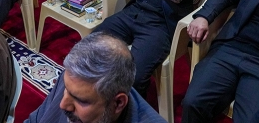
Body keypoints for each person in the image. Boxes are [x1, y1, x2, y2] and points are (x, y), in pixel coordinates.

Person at [25, 32, 166, 123]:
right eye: (66, 89)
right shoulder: (74, 82)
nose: (63, 105)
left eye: (81, 101)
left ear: (118, 103)